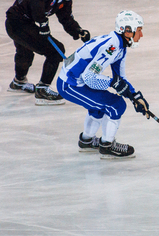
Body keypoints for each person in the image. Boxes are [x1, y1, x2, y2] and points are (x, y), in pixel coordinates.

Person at [57, 10, 150, 159]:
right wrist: (113, 83)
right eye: (139, 30)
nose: (141, 35)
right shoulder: (111, 47)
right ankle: (107, 146)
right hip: (70, 84)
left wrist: (135, 96)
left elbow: (120, 77)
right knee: (116, 105)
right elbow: (90, 78)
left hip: (73, 81)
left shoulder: (119, 45)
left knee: (98, 108)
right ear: (127, 31)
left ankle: (86, 142)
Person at [5, 0, 91, 105]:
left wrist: (78, 31)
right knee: (56, 51)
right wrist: (43, 23)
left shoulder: (65, 0)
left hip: (23, 24)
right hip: (17, 23)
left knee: (25, 53)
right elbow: (36, 1)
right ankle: (42, 90)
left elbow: (66, 19)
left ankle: (18, 82)